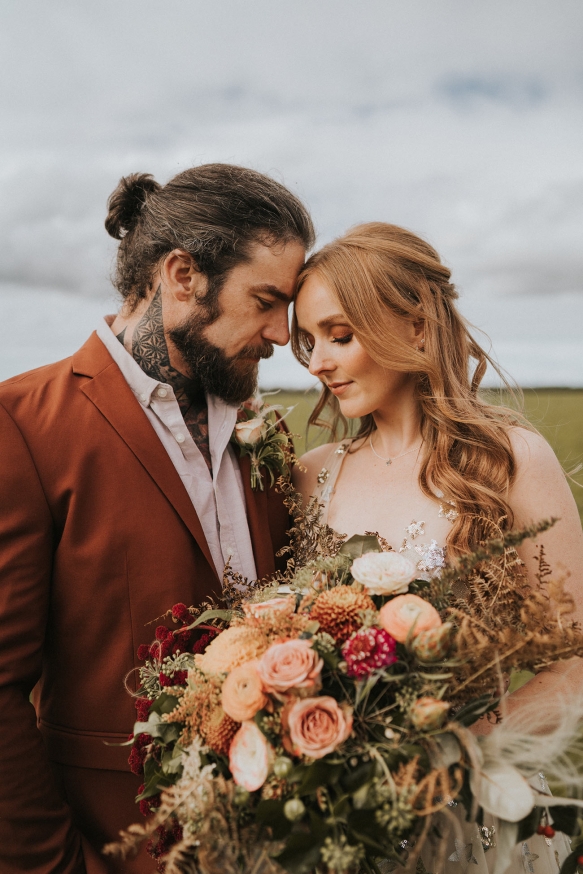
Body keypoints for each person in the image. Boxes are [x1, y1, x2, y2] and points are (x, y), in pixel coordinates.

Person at [0, 164, 314, 873]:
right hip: (110, 847)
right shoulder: (21, 425)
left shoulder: (265, 436)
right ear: (182, 275)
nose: (280, 332)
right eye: (266, 300)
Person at [292, 222, 583, 873]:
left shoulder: (506, 463)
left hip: (464, 815)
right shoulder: (312, 473)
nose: (317, 363)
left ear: (417, 326)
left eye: (340, 336)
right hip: (336, 825)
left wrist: (462, 756)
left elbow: (574, 660)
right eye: (307, 342)